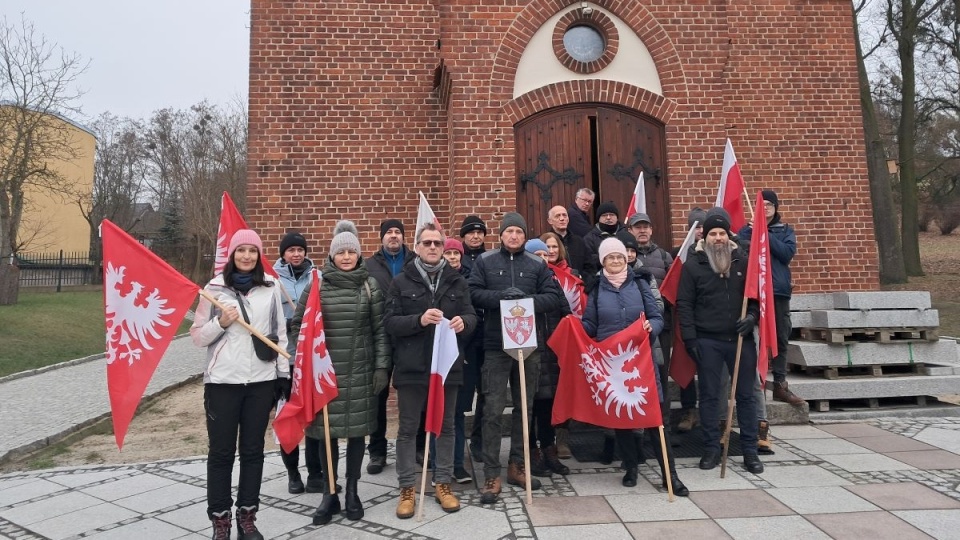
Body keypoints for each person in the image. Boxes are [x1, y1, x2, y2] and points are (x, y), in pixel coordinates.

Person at [191, 229, 289, 540]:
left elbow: (280, 335)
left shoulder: (271, 288)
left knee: (252, 451)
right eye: (240, 250)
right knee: (221, 454)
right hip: (222, 382)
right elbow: (196, 336)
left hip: (260, 382)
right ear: (232, 255)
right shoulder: (213, 289)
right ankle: (220, 521)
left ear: (260, 255)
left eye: (252, 250)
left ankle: (248, 516)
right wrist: (220, 322)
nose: (246, 256)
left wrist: (283, 375)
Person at [293, 221, 392, 525]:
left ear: (359, 254)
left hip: (360, 371)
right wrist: (305, 362)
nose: (347, 256)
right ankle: (329, 493)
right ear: (332, 255)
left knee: (356, 433)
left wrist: (381, 367)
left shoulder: (370, 286)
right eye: (341, 252)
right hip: (325, 373)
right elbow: (299, 325)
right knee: (326, 434)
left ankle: (352, 490)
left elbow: (380, 331)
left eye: (352, 251)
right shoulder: (317, 285)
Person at [468, 212, 565, 504]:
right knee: (493, 410)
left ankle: (517, 464)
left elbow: (553, 298)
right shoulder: (485, 262)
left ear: (525, 236)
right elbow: (472, 293)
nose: (513, 236)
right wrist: (501, 298)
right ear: (500, 235)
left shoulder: (537, 263)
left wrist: (524, 300)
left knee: (526, 406)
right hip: (496, 345)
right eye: (509, 231)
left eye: (519, 232)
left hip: (528, 345)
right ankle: (491, 472)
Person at [384, 223, 478, 518]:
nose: (434, 247)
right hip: (412, 367)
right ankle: (407, 488)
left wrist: (464, 322)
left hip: (447, 367)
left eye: (438, 243)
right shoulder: (401, 282)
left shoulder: (457, 281)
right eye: (428, 243)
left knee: (446, 426)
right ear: (418, 246)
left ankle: (443, 482)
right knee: (409, 429)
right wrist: (419, 320)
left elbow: (472, 315)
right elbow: (389, 323)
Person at [582, 237, 688, 495]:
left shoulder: (640, 283)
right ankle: (631, 466)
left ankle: (669, 474)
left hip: (642, 361)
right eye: (610, 257)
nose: (616, 261)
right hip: (613, 365)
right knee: (622, 419)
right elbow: (590, 326)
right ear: (603, 261)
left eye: (619, 256)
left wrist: (654, 327)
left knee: (655, 418)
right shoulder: (596, 289)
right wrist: (574, 329)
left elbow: (656, 315)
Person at [676, 210, 765, 475]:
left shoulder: (743, 262)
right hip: (707, 341)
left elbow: (758, 297)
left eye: (722, 233)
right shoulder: (693, 265)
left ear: (729, 236)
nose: (717, 238)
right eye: (713, 233)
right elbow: (684, 304)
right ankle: (711, 449)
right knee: (711, 397)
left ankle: (750, 450)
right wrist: (690, 338)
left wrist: (751, 317)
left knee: (746, 396)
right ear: (705, 235)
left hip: (740, 340)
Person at [739, 189, 802, 454]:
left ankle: (780, 383)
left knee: (780, 336)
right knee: (756, 339)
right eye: (761, 205)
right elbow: (740, 247)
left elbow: (786, 254)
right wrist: (754, 232)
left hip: (777, 291)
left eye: (769, 205)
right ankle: (758, 380)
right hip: (756, 291)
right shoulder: (746, 230)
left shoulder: (785, 230)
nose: (765, 208)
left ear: (776, 208)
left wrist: (764, 233)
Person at [272, 231, 323, 494]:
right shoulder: (271, 280)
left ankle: (316, 472)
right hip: (286, 359)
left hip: (311, 359)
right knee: (289, 416)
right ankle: (293, 472)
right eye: (291, 250)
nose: (296, 254)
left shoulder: (317, 276)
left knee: (314, 416)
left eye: (300, 250)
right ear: (283, 253)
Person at [365, 219, 416, 475]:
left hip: (410, 335)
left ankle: (416, 446)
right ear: (382, 237)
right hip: (380, 337)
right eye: (389, 233)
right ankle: (377, 451)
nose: (394, 236)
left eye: (398, 232)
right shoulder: (369, 266)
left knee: (414, 393)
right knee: (378, 395)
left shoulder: (415, 262)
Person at [531, 233, 577, 469]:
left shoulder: (553, 281)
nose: (541, 258)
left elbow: (566, 312)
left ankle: (550, 450)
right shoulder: (523, 280)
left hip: (551, 352)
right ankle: (532, 452)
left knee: (547, 404)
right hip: (529, 351)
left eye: (544, 254)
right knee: (530, 406)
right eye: (536, 254)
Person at [674, 207, 706, 433]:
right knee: (685, 365)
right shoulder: (679, 254)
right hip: (685, 319)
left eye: (703, 226)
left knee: (708, 368)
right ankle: (688, 410)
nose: (700, 231)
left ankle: (708, 411)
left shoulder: (715, 252)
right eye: (696, 227)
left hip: (708, 319)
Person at [458, 215, 488, 460]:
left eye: (480, 233)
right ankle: (458, 441)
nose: (476, 236)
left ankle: (479, 439)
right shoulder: (457, 259)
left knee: (487, 392)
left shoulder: (490, 259)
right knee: (463, 391)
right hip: (466, 337)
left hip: (487, 335)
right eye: (471, 233)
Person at [583, 201, 624, 286]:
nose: (608, 218)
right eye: (604, 215)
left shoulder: (625, 235)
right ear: (599, 218)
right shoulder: (589, 238)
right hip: (600, 281)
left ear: (617, 217)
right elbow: (588, 261)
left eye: (611, 215)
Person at [546, 205, 589, 276]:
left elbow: (589, 267)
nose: (562, 218)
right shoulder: (544, 241)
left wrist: (582, 282)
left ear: (568, 219)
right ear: (550, 221)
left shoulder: (579, 241)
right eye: (557, 216)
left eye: (564, 215)